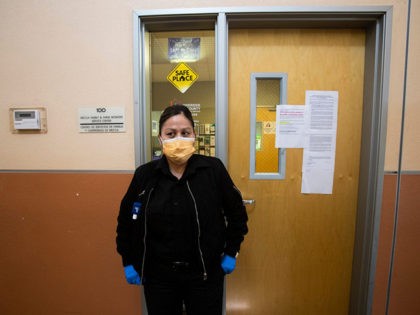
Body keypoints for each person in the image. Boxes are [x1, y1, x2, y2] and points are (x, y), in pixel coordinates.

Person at [116, 104, 248, 315]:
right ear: (160, 138)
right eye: (171, 133)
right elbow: (126, 221)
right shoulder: (145, 175)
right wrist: (128, 261)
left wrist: (232, 251)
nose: (178, 138)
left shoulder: (213, 170)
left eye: (185, 133)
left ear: (194, 135)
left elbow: (237, 215)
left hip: (204, 275)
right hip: (159, 277)